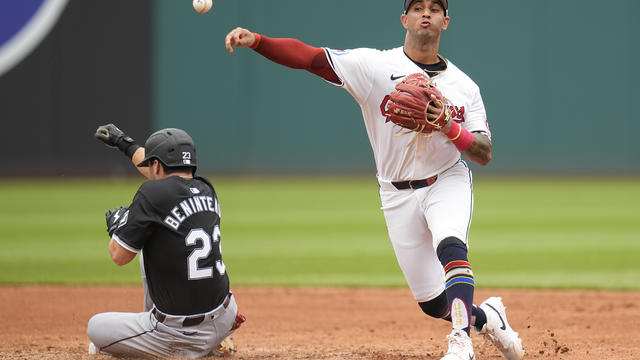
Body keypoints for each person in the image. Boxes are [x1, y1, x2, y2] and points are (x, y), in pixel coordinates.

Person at [224, 1, 523, 359]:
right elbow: (311, 58)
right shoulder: (376, 66)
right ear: (404, 19)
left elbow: (483, 152)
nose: (425, 13)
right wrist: (258, 40)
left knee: (451, 246)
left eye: (434, 8)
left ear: (446, 21)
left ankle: (461, 342)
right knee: (432, 303)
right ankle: (487, 317)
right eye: (416, 7)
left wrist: (448, 125)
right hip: (396, 192)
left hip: (446, 179)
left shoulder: (464, 87)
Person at [88, 124, 245, 358]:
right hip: (224, 316)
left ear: (157, 165)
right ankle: (216, 340)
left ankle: (162, 340)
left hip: (180, 335)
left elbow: (119, 256)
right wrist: (124, 143)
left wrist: (118, 227)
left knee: (96, 328)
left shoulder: (151, 193)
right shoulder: (206, 188)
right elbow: (162, 177)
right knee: (157, 243)